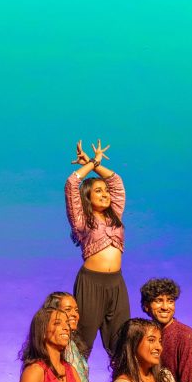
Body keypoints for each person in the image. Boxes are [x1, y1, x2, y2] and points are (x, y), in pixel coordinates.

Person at [65, 139, 130, 358]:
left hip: (116, 284)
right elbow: (72, 183)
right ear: (87, 197)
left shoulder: (115, 215)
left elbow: (116, 183)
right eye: (98, 191)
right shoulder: (82, 220)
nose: (105, 194)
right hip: (91, 283)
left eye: (105, 191)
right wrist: (91, 164)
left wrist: (98, 165)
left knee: (122, 343)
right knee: (81, 343)